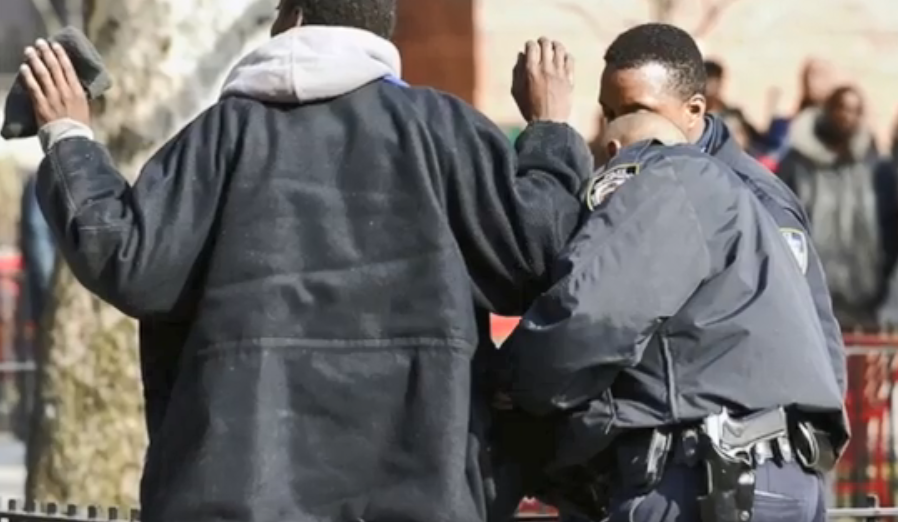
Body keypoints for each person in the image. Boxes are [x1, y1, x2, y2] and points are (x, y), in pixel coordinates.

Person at [18, 1, 594, 520]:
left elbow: (127, 258)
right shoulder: (444, 131)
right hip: (425, 490)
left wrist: (69, 135)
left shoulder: (221, 137)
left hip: (232, 488)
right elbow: (535, 258)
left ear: (291, 20)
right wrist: (549, 129)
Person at [501, 112, 848, 522]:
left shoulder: (666, 178)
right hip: (788, 476)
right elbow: (827, 349)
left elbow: (588, 323)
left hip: (703, 479)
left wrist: (508, 382)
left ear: (615, 153)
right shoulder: (756, 201)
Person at [596, 22, 846, 398]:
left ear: (694, 110)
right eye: (610, 113)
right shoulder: (617, 186)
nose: (619, 129)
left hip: (730, 439)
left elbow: (813, 335)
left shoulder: (757, 199)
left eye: (636, 111)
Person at [777, 86, 898, 329]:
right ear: (827, 111)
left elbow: (891, 235)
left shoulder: (877, 171)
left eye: (855, 110)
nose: (847, 116)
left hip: (866, 306)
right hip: (808, 302)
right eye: (841, 108)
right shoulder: (796, 166)